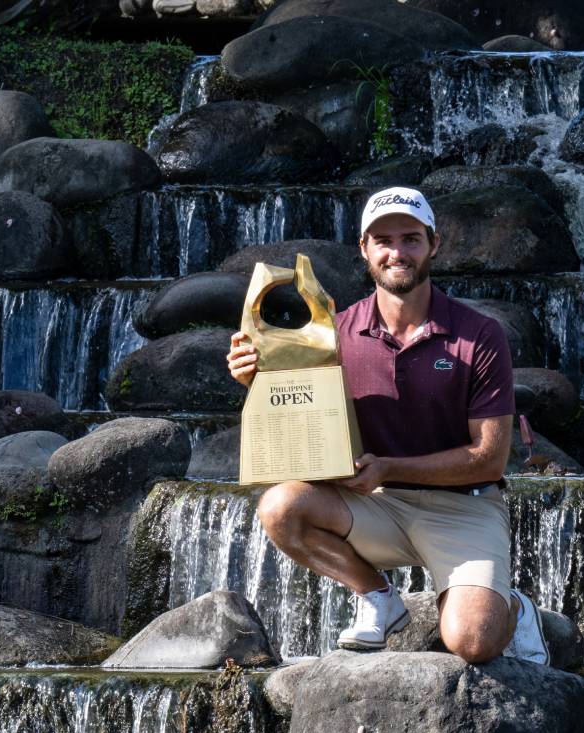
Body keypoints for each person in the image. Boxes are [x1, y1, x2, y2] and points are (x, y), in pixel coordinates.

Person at [225, 186, 548, 665]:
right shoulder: (331, 335)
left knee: (474, 643)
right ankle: (377, 596)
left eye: (411, 239)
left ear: (433, 244)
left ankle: (515, 609)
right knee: (280, 507)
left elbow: (489, 458)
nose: (397, 252)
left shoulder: (479, 335)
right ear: (365, 250)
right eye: (384, 241)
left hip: (463, 508)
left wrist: (389, 468)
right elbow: (298, 423)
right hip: (373, 506)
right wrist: (257, 380)